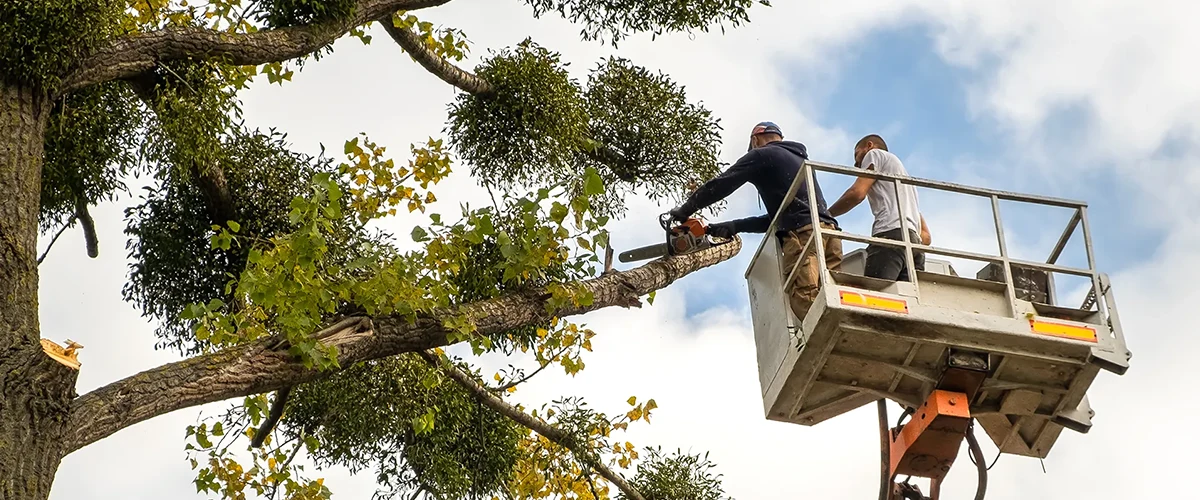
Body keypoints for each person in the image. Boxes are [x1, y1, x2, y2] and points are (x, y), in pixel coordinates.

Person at [668, 121, 842, 321]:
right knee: (832, 297)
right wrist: (735, 226)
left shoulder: (761, 154)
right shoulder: (798, 160)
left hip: (804, 237)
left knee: (805, 298)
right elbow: (779, 219)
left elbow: (722, 184)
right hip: (829, 234)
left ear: (755, 140)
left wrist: (685, 210)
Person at [827, 134, 931, 282]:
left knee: (876, 297)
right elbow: (926, 237)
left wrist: (827, 214)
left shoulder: (874, 154)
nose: (856, 165)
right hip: (915, 248)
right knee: (903, 300)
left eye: (857, 155)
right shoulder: (907, 186)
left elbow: (857, 194)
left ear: (869, 146)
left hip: (891, 235)